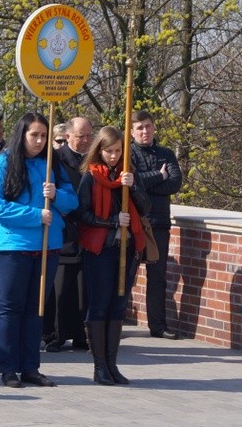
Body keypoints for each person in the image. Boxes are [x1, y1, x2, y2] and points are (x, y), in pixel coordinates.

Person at [0, 112, 78, 388]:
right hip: (13, 246)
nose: (39, 141)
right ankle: (8, 368)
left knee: (35, 308)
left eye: (44, 136)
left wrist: (56, 196)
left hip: (48, 246)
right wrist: (35, 215)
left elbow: (72, 200)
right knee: (11, 306)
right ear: (22, 135)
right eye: (34, 135)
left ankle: (30, 367)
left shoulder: (53, 165)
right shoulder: (2, 164)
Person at [76, 126, 150, 385]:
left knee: (119, 306)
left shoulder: (128, 175)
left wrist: (134, 187)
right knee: (100, 304)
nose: (113, 156)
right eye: (108, 151)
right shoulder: (91, 177)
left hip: (127, 249)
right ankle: (99, 366)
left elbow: (145, 208)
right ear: (99, 150)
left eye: (118, 151)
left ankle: (112, 364)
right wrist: (111, 222)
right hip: (101, 249)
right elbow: (82, 214)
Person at [130, 110, 183, 340]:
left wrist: (146, 181)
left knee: (158, 276)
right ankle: (114, 323)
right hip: (132, 223)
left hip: (159, 223)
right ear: (132, 131)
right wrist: (158, 176)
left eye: (148, 126)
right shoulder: (126, 153)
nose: (145, 131)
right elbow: (132, 183)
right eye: (140, 127)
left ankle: (158, 325)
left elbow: (175, 183)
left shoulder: (166, 153)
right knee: (124, 274)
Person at [45, 117, 93, 353]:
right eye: (80, 136)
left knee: (83, 288)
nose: (85, 141)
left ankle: (81, 334)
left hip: (88, 229)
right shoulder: (56, 160)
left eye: (88, 136)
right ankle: (56, 333)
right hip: (64, 228)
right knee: (61, 287)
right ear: (68, 136)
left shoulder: (93, 159)